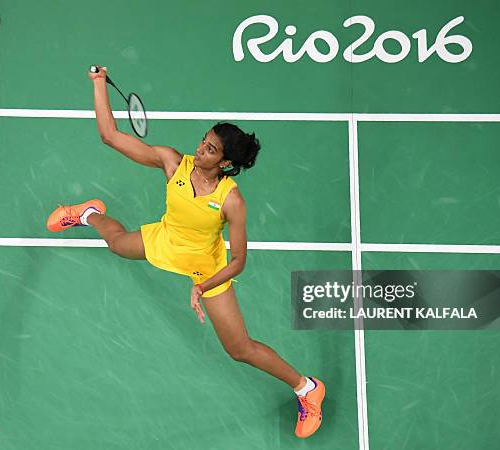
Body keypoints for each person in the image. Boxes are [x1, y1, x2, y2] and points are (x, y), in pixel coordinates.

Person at [45, 66, 325, 438]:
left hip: (204, 268)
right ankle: (88, 214)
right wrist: (99, 84)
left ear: (226, 163)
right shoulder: (174, 163)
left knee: (239, 349)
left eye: (210, 149)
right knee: (116, 243)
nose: (200, 149)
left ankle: (308, 388)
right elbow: (110, 136)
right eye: (203, 140)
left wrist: (203, 285)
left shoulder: (232, 202)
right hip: (165, 240)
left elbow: (239, 259)